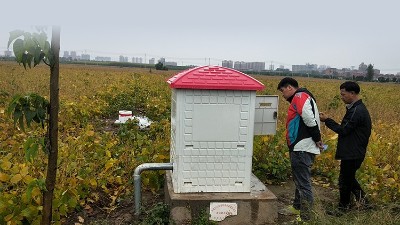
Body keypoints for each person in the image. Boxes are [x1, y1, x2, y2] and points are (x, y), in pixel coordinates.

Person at [319, 81, 371, 213]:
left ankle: (342, 209)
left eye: (343, 94)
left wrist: (327, 120)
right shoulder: (356, 109)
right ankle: (365, 203)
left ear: (352, 93)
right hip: (354, 150)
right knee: (349, 179)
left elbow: (343, 130)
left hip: (353, 152)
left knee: (345, 181)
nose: (341, 97)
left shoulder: (357, 111)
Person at [277, 77, 324, 221]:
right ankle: (297, 207)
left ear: (290, 88)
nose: (283, 95)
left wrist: (317, 139)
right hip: (300, 146)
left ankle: (306, 218)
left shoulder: (299, 96)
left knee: (304, 184)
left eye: (282, 91)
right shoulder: (303, 96)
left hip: (302, 147)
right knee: (299, 180)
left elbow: (309, 119)